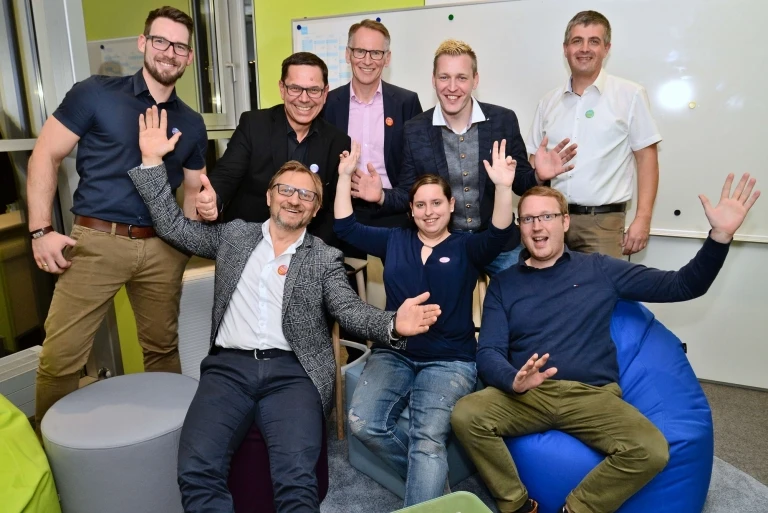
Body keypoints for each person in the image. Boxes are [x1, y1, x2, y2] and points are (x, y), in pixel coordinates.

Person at [130, 106, 441, 512]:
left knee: (297, 482)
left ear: (316, 209)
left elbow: (349, 310)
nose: (295, 199)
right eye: (286, 190)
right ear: (269, 196)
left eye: (306, 195)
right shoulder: (234, 236)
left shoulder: (324, 257)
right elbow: (174, 228)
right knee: (196, 469)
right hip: (228, 370)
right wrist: (152, 162)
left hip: (293, 374)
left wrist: (392, 323)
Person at [451, 174, 760, 513]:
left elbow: (682, 285)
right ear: (520, 226)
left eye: (547, 216)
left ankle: (578, 508)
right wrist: (514, 380)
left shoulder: (599, 269)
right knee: (467, 414)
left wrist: (719, 238)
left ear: (565, 221)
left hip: (592, 394)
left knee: (651, 449)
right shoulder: (504, 284)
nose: (538, 226)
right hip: (527, 394)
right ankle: (516, 504)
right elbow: (489, 351)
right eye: (528, 219)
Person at [28, 6, 208, 435]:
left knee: (162, 350)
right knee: (61, 358)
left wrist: (187, 241)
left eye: (180, 46)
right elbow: (45, 154)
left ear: (188, 57)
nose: (169, 52)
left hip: (163, 249)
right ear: (143, 43)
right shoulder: (95, 93)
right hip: (96, 242)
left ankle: (169, 442)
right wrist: (40, 230)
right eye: (161, 41)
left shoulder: (192, 121)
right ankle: (54, 458)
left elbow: (194, 189)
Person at [334, 138, 516, 506]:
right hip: (395, 352)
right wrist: (343, 176)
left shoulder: (467, 246)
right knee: (363, 423)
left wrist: (502, 187)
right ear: (411, 210)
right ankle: (435, 485)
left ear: (451, 205)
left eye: (436, 203)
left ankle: (425, 484)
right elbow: (345, 227)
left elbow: (499, 233)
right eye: (420, 205)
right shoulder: (394, 240)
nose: (429, 212)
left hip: (449, 360)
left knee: (427, 440)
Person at [348, 39, 576, 275]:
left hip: (499, 243)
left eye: (461, 78)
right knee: (432, 297)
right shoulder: (415, 129)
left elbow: (520, 182)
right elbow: (409, 192)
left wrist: (538, 176)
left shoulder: (503, 121)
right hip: (444, 244)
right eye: (444, 77)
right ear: (433, 80)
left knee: (523, 293)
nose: (452, 87)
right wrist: (381, 196)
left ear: (475, 80)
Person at [526, 10, 661, 258]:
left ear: (606, 48)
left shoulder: (630, 95)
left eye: (594, 41)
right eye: (577, 41)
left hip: (603, 225)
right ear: (565, 48)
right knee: (549, 284)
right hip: (552, 221)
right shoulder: (548, 102)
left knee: (600, 284)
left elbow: (647, 159)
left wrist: (643, 218)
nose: (584, 49)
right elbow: (534, 161)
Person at [195, 52, 350, 248]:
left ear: (325, 93)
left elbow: (333, 209)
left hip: (307, 249)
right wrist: (213, 199)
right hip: (250, 245)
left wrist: (313, 252)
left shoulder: (338, 142)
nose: (304, 98)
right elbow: (227, 174)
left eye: (313, 90)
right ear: (282, 89)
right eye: (295, 88)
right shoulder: (254, 125)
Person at [324, 18, 423, 228]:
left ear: (387, 58)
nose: (367, 61)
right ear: (348, 54)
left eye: (376, 53)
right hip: (342, 212)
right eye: (360, 51)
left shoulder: (407, 103)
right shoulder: (328, 103)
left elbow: (418, 167)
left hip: (394, 212)